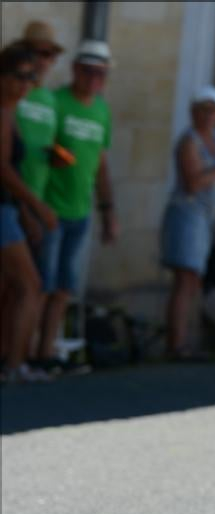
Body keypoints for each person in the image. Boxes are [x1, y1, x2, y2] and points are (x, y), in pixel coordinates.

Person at [35, 40, 118, 371]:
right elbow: (40, 149)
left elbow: (100, 163)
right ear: (74, 70)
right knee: (41, 286)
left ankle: (48, 352)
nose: (94, 79)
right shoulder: (56, 103)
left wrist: (108, 209)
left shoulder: (101, 110)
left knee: (62, 289)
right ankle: (29, 352)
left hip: (80, 211)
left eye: (101, 73)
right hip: (50, 207)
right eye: (88, 71)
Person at [160, 86, 215, 359]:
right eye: (204, 109)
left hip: (206, 217)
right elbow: (194, 183)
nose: (209, 115)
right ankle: (177, 343)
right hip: (187, 215)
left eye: (214, 110)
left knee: (194, 280)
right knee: (185, 279)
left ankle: (186, 339)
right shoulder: (189, 142)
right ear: (194, 112)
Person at [0, 42, 57, 382]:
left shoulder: (10, 112)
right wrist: (38, 207)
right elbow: (3, 170)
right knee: (29, 285)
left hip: (8, 209)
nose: (25, 85)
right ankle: (15, 365)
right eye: (19, 77)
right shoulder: (2, 114)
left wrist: (24, 212)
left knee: (11, 286)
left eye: (31, 78)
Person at [15, 21, 63, 373]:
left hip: (38, 198)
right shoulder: (16, 91)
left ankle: (19, 356)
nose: (44, 60)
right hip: (15, 199)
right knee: (22, 283)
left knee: (22, 286)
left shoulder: (48, 99)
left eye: (49, 54)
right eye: (38, 52)